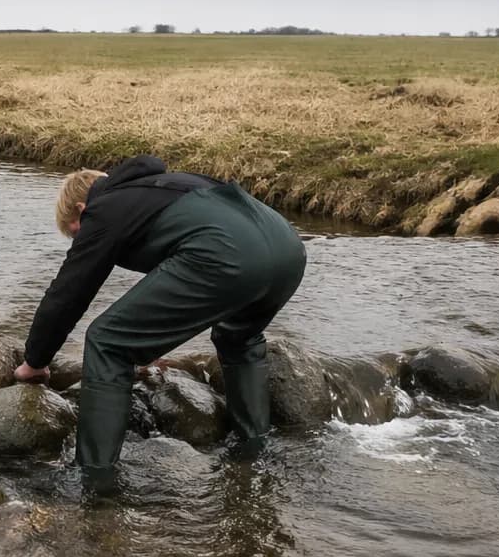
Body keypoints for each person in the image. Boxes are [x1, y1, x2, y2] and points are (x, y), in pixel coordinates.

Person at [15, 155, 307, 488]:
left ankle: (95, 480)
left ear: (81, 209)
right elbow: (180, 267)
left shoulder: (103, 209)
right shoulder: (162, 188)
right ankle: (253, 452)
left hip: (229, 255)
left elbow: (68, 294)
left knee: (107, 342)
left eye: (74, 233)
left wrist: (35, 361)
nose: (78, 240)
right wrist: (152, 339)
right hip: (287, 249)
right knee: (238, 336)